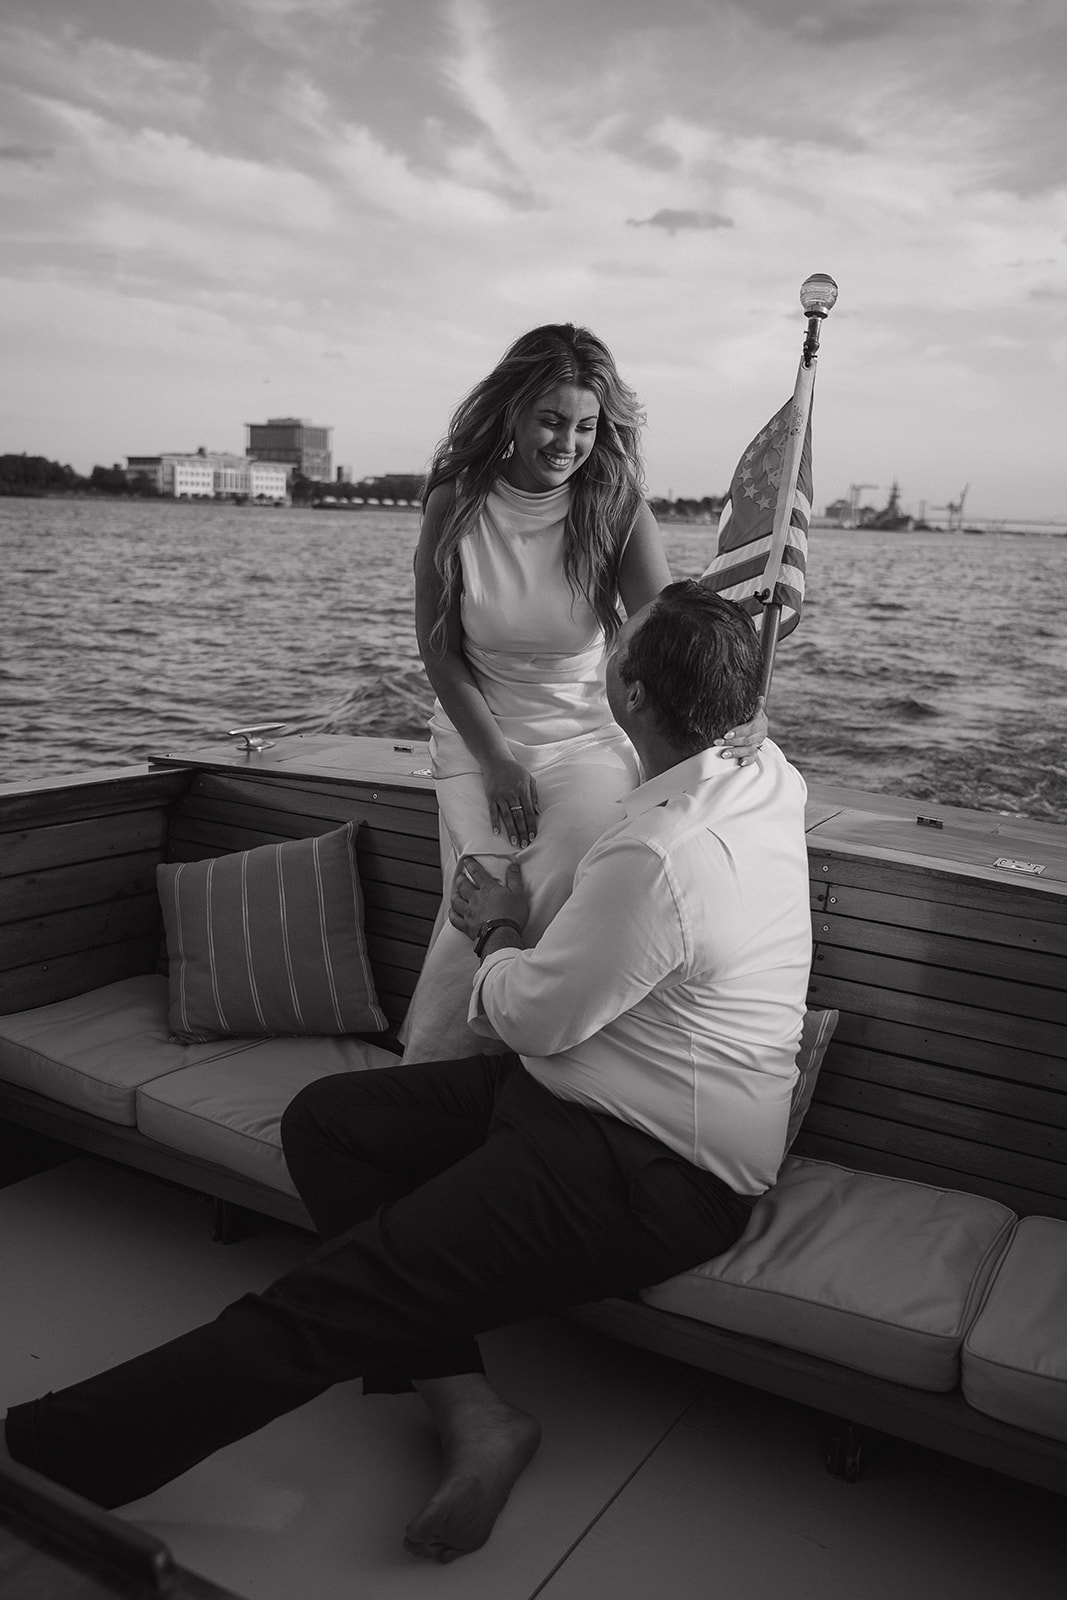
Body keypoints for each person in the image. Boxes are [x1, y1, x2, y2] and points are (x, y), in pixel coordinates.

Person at [2, 582, 811, 1564]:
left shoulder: (661, 849)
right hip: (577, 1094)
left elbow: (527, 1017)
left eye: (619, 643)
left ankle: (41, 1462)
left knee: (336, 1297)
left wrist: (496, 927)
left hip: (650, 1165)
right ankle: (472, 1410)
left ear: (630, 694)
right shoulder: (763, 772)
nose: (604, 649)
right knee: (330, 1121)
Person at [401, 323, 765, 1060]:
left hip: (585, 736)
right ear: (512, 410)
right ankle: (433, 1068)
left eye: (586, 426)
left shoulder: (615, 506)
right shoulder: (456, 500)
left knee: (571, 858)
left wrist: (748, 709)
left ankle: (498, 1055)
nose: (568, 443)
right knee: (488, 879)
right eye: (550, 420)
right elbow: (438, 649)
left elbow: (669, 638)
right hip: (479, 733)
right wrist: (497, 761)